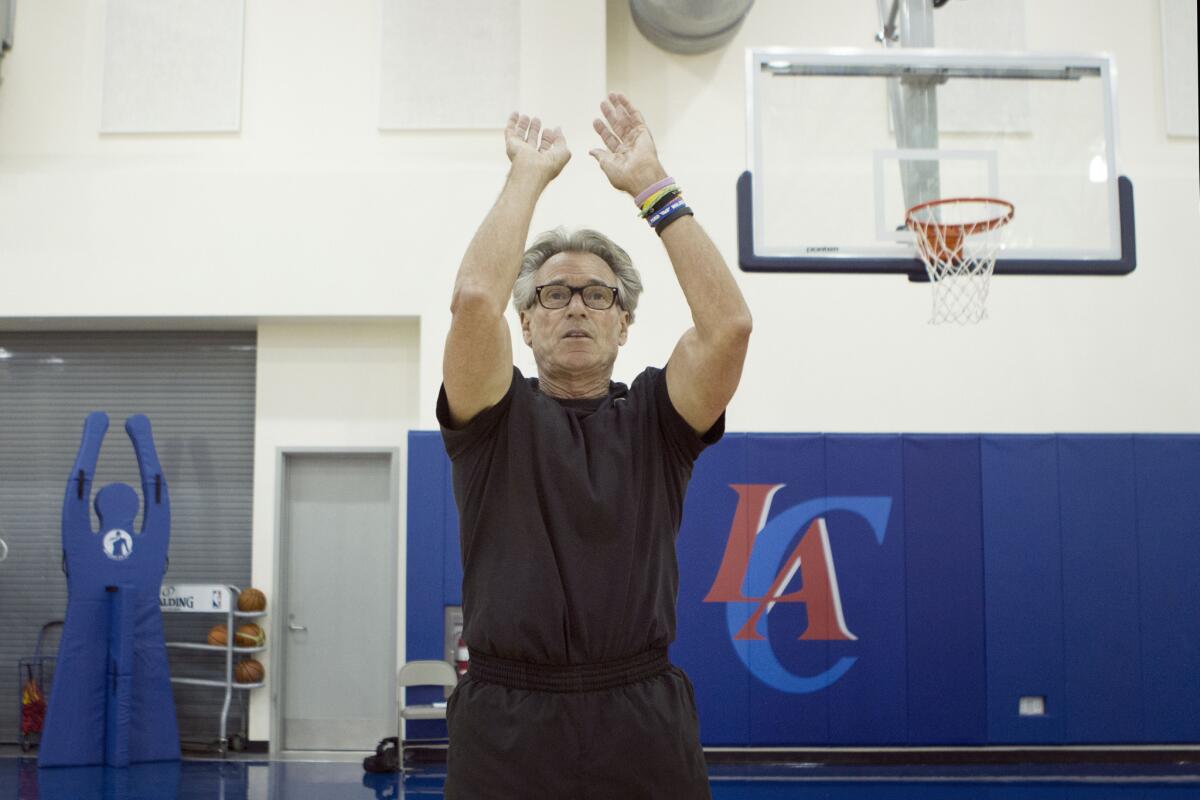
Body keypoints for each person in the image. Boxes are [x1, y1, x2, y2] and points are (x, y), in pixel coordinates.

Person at [437, 93, 752, 799]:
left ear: (624, 324)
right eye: (552, 295)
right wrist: (526, 177)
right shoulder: (492, 416)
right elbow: (474, 302)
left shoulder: (657, 420)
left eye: (597, 295)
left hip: (640, 717)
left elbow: (729, 326)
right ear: (526, 324)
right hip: (506, 726)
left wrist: (652, 186)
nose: (576, 304)